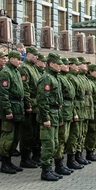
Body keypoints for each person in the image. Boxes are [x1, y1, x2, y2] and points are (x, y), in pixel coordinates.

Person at [0, 51, 26, 174]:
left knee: (15, 137)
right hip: (11, 108)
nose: (19, 62)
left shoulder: (16, 71)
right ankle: (4, 162)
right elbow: (3, 94)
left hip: (18, 107)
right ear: (12, 59)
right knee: (7, 136)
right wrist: (7, 110)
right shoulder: (6, 73)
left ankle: (9, 162)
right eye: (18, 59)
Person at [37, 53, 65, 181]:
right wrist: (46, 118)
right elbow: (43, 100)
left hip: (55, 114)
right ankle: (45, 171)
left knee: (55, 143)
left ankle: (50, 169)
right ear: (51, 64)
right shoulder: (47, 78)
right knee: (48, 143)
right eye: (58, 64)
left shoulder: (55, 77)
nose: (60, 66)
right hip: (49, 115)